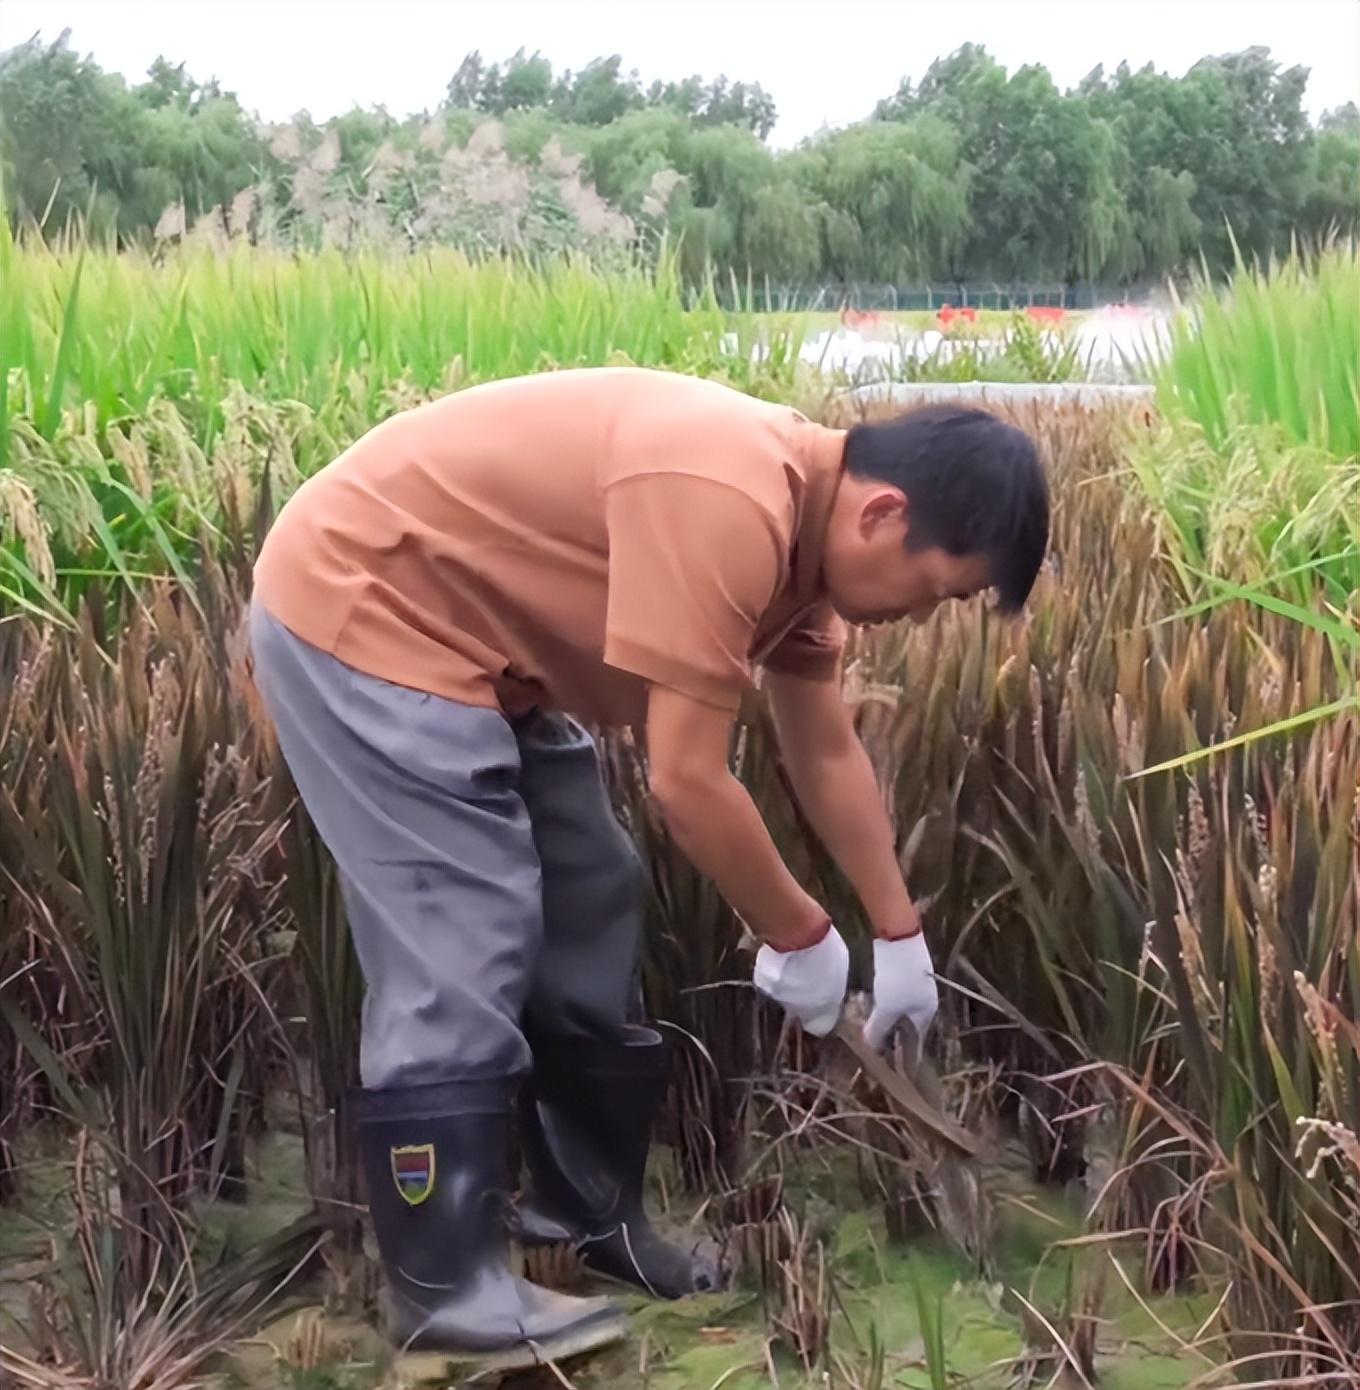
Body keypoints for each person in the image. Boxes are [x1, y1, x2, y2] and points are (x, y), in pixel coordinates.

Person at [247, 366, 1049, 1367]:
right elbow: (685, 778)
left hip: (483, 652)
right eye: (936, 588)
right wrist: (798, 934)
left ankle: (584, 1216)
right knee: (461, 920)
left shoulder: (807, 539)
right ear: (884, 514)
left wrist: (898, 933)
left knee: (592, 883)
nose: (924, 617)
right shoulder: (732, 496)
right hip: (364, 609)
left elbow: (825, 746)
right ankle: (443, 1284)